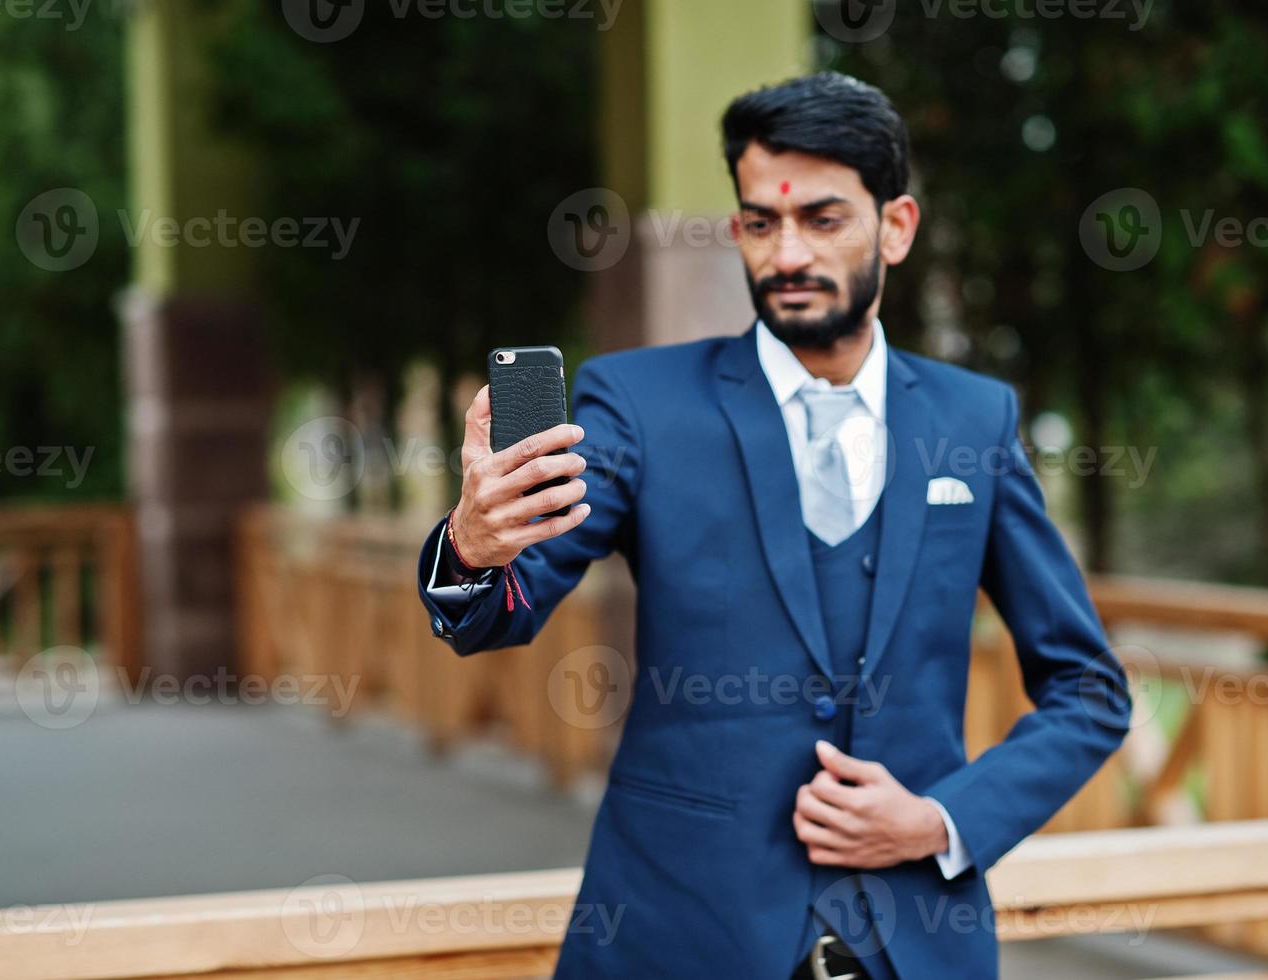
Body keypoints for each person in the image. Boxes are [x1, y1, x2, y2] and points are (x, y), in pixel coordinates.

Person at [418, 71, 1131, 979]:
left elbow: (1088, 690)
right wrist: (475, 546)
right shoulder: (638, 403)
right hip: (684, 936)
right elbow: (498, 610)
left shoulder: (970, 421)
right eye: (761, 222)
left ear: (896, 227)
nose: (786, 252)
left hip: (914, 942)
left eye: (822, 219)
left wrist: (941, 820)